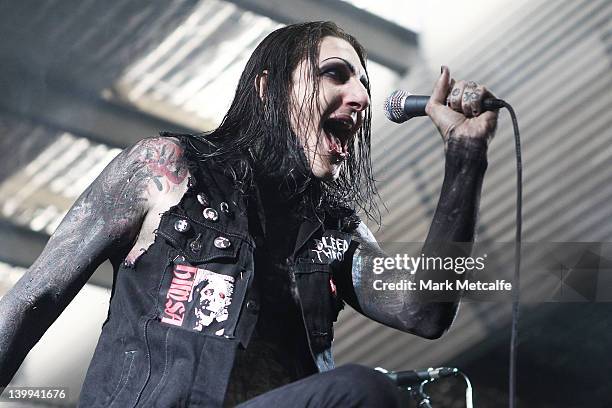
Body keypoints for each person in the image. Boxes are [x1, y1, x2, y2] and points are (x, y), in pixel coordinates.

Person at [0, 21, 497, 407]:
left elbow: (422, 311)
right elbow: (34, 296)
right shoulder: (167, 170)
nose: (362, 98)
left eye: (364, 84)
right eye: (335, 74)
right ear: (268, 88)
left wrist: (465, 159)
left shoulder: (334, 232)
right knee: (364, 393)